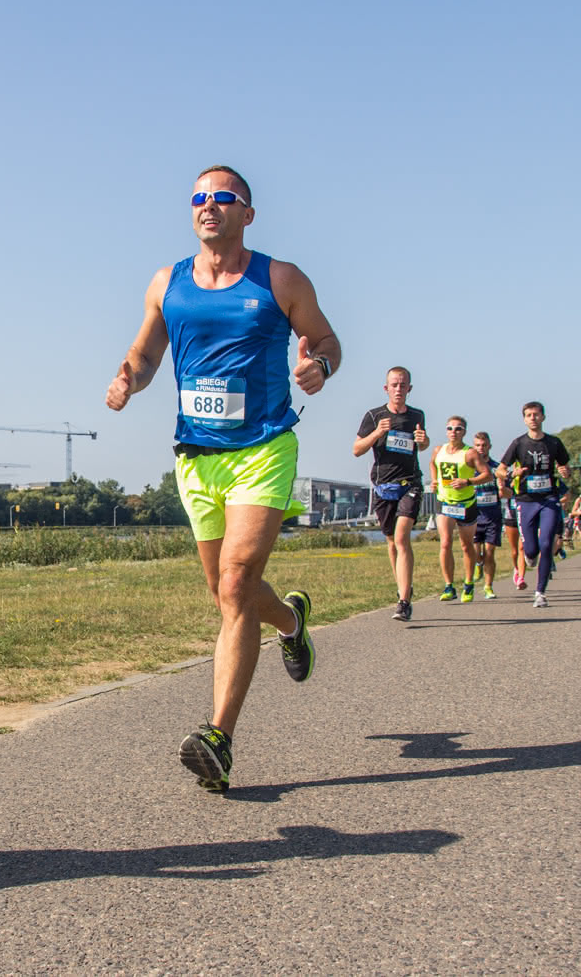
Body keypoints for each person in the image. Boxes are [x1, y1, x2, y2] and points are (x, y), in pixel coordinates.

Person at [105, 164, 341, 792]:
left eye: (223, 198)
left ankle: (219, 738)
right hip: (196, 456)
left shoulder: (280, 278)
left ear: (247, 213)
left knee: (237, 583)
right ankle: (291, 623)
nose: (208, 206)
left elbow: (326, 339)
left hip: (262, 447)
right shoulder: (169, 282)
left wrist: (317, 364)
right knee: (225, 594)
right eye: (199, 198)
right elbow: (147, 352)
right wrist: (129, 376)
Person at [354, 367, 428, 621]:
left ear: (409, 388)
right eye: (394, 384)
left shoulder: (417, 415)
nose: (398, 389)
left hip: (410, 483)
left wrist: (424, 440)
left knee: (401, 537)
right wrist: (377, 433)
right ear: (386, 388)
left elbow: (422, 445)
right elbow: (356, 449)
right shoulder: (374, 416)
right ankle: (403, 589)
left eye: (403, 384)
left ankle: (404, 601)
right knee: (391, 542)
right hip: (383, 486)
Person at [498, 402, 572, 608]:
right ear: (524, 419)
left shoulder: (554, 443)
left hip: (549, 499)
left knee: (546, 543)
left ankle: (540, 592)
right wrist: (513, 473)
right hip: (525, 500)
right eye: (529, 415)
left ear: (543, 417)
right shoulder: (518, 444)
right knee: (530, 549)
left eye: (536, 414)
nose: (533, 418)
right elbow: (500, 470)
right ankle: (530, 557)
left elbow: (565, 466)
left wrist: (566, 471)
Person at [430, 417, 488, 603]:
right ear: (446, 431)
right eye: (450, 428)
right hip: (444, 502)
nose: (453, 432)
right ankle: (449, 586)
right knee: (445, 543)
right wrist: (434, 480)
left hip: (465, 503)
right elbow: (433, 463)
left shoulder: (470, 454)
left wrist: (468, 481)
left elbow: (488, 475)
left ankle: (469, 583)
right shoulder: (439, 450)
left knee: (466, 545)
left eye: (458, 429)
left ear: (464, 432)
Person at [469, 432, 504, 599]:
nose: (481, 449)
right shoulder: (468, 468)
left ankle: (488, 587)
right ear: (473, 447)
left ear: (489, 446)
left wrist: (505, 489)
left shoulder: (496, 468)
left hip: (493, 516)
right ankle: (478, 563)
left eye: (483, 445)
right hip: (474, 516)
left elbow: (508, 492)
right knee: (475, 551)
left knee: (490, 552)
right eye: (477, 445)